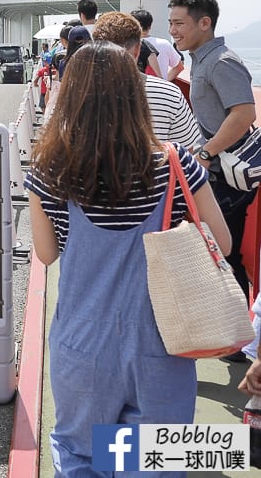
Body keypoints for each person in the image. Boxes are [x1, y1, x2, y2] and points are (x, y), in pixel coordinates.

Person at [26, 41, 230, 477]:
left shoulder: (49, 171)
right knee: (154, 458)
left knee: (82, 455)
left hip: (81, 342)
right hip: (165, 340)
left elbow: (45, 254)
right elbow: (222, 243)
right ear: (135, 94)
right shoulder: (175, 165)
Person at [169, 0, 258, 313]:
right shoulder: (203, 61)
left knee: (225, 252)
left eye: (179, 23)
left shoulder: (221, 61)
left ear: (204, 23)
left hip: (227, 176)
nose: (173, 30)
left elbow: (244, 112)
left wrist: (205, 154)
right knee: (219, 251)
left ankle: (235, 338)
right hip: (219, 173)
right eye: (171, 23)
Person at [92, 11, 201, 151]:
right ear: (138, 50)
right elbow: (188, 150)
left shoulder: (76, 92)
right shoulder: (170, 93)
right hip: (156, 171)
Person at [132, 8, 181, 80]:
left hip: (136, 88)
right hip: (159, 88)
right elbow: (179, 67)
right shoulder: (164, 44)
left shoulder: (127, 45)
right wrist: (165, 82)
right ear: (150, 26)